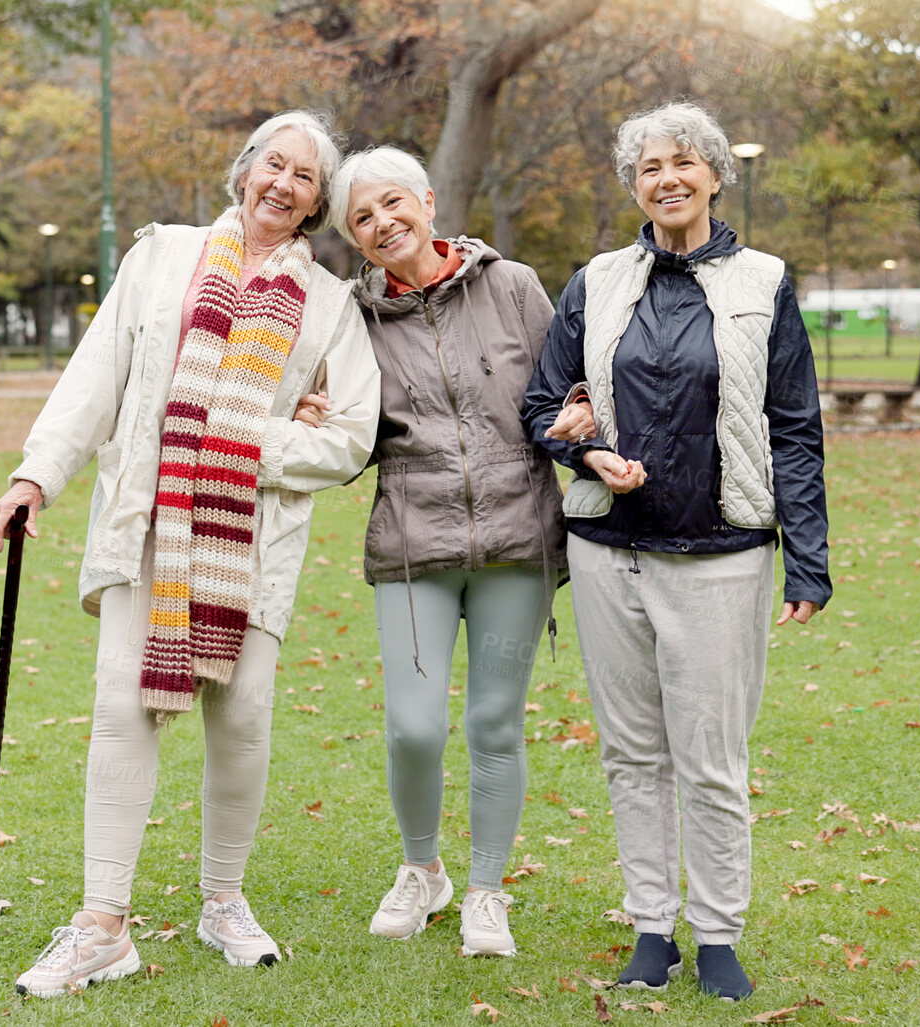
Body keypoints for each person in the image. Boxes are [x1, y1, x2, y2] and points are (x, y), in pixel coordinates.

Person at [0, 109, 380, 998]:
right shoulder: (159, 256)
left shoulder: (328, 306)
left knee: (240, 715)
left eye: (304, 177)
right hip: (148, 521)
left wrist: (255, 443)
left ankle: (222, 899)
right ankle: (101, 922)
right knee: (122, 709)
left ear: (318, 201)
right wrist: (35, 475)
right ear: (246, 170)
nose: (282, 185)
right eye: (272, 165)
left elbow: (353, 436)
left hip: (252, 538)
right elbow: (96, 376)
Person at [522, 101, 830, 1001]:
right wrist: (582, 448)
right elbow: (540, 405)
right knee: (631, 753)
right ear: (633, 185)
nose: (667, 178)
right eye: (648, 167)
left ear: (713, 174)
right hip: (607, 550)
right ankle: (651, 926)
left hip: (721, 552)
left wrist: (805, 555)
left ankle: (719, 933)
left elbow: (795, 429)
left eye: (682, 162)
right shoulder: (596, 280)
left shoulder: (764, 282)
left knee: (710, 753)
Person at [329, 146, 566, 958]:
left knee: (496, 720)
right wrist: (315, 419)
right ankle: (421, 869)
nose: (381, 223)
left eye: (391, 203)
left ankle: (486, 890)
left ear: (427, 202)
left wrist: (576, 420)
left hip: (516, 538)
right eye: (361, 218)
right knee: (413, 729)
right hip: (411, 543)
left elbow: (557, 389)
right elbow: (349, 437)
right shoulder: (352, 318)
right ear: (354, 240)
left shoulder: (513, 286)